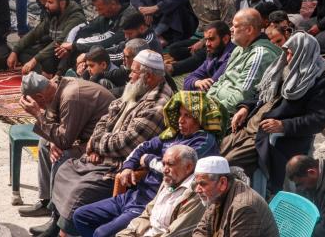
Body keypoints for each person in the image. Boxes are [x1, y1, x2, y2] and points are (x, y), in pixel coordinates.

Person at [48, 51, 172, 237]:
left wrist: (96, 144)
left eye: (134, 72)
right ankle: (56, 224)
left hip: (117, 166)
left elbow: (127, 143)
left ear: (150, 76)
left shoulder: (158, 105)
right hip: (104, 156)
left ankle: (65, 232)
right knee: (64, 169)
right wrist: (97, 142)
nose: (129, 75)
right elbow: (105, 118)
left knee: (80, 190)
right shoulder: (137, 88)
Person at [73, 92, 222, 237]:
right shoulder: (172, 134)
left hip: (152, 202)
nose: (180, 120)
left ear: (199, 118)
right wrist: (127, 167)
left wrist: (149, 159)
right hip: (135, 193)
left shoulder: (205, 141)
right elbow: (142, 147)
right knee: (80, 216)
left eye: (187, 116)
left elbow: (176, 168)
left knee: (101, 233)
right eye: (180, 114)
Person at [220, 32, 325, 191]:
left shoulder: (322, 82)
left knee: (224, 165)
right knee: (213, 155)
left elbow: (317, 120)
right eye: (287, 53)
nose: (287, 58)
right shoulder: (283, 70)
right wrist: (245, 108)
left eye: (292, 54)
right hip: (248, 127)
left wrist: (283, 125)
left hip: (269, 138)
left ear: (304, 54)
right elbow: (260, 94)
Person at [17, 73, 115, 221]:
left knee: (62, 156)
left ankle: (56, 215)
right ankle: (46, 200)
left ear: (40, 97)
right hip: (82, 136)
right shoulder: (56, 88)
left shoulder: (71, 97)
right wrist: (51, 141)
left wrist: (38, 114)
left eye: (37, 104)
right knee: (44, 144)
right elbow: (52, 119)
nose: (41, 108)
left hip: (99, 144)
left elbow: (64, 141)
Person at [115, 146, 203, 237]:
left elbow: (175, 233)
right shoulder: (170, 181)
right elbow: (148, 214)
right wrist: (127, 233)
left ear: (188, 167)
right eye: (164, 164)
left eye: (170, 164)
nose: (164, 170)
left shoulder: (196, 193)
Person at [207, 9, 281, 116]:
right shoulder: (239, 48)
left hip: (228, 115)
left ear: (249, 30)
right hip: (215, 105)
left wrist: (210, 111)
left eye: (235, 26)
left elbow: (243, 96)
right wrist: (207, 101)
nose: (231, 29)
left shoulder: (260, 55)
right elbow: (221, 79)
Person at [191, 156, 278, 237]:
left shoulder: (244, 208)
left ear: (222, 182)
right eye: (197, 184)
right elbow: (201, 230)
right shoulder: (217, 194)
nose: (197, 189)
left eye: (202, 184)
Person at [10, 0, 87, 75]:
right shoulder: (53, 13)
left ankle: (45, 75)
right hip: (52, 52)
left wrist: (34, 60)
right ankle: (41, 74)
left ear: (62, 3)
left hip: (66, 56)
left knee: (46, 62)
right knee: (22, 52)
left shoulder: (76, 18)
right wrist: (15, 50)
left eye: (50, 2)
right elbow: (35, 33)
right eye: (46, 2)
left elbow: (59, 42)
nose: (46, 5)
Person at [59, 0, 137, 73]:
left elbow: (109, 40)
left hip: (118, 58)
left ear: (113, 4)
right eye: (97, 9)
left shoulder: (128, 17)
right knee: (69, 48)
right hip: (103, 53)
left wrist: (76, 46)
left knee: (84, 50)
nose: (99, 13)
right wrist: (69, 45)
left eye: (100, 9)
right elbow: (82, 29)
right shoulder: (105, 16)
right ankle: (59, 75)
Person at [183, 22, 234, 92]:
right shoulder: (214, 54)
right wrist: (197, 82)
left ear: (225, 39)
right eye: (206, 39)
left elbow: (211, 86)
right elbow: (187, 80)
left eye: (211, 39)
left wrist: (198, 85)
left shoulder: (231, 57)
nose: (207, 44)